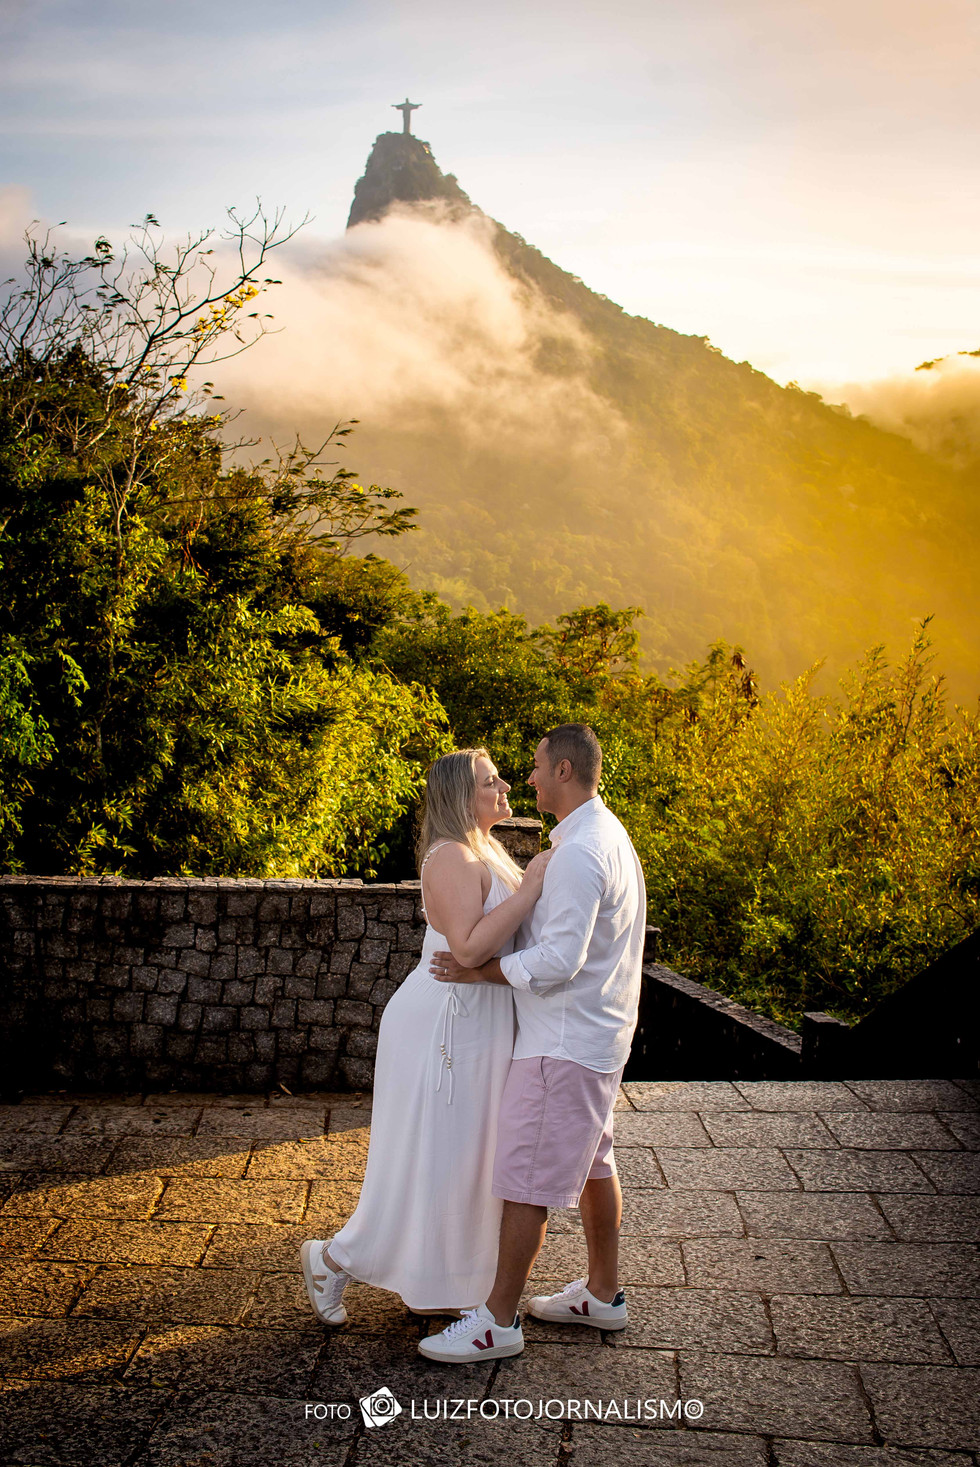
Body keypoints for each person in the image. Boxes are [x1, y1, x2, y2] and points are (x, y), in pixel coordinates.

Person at [299, 748, 553, 1324]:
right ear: (461, 795)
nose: (505, 786)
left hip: (479, 1021)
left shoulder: (483, 848)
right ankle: (333, 1259)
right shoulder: (451, 857)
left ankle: (441, 1284)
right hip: (447, 1025)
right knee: (437, 1158)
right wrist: (531, 888)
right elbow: (468, 948)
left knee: (462, 1160)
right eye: (491, 781)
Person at [419, 723, 645, 1362]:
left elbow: (560, 960)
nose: (530, 777)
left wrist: (482, 972)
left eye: (538, 766)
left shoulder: (577, 852)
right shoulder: (607, 834)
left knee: (525, 1180)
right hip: (599, 1034)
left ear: (564, 772)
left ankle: (496, 1322)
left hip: (561, 1043)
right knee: (595, 1163)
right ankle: (602, 1294)